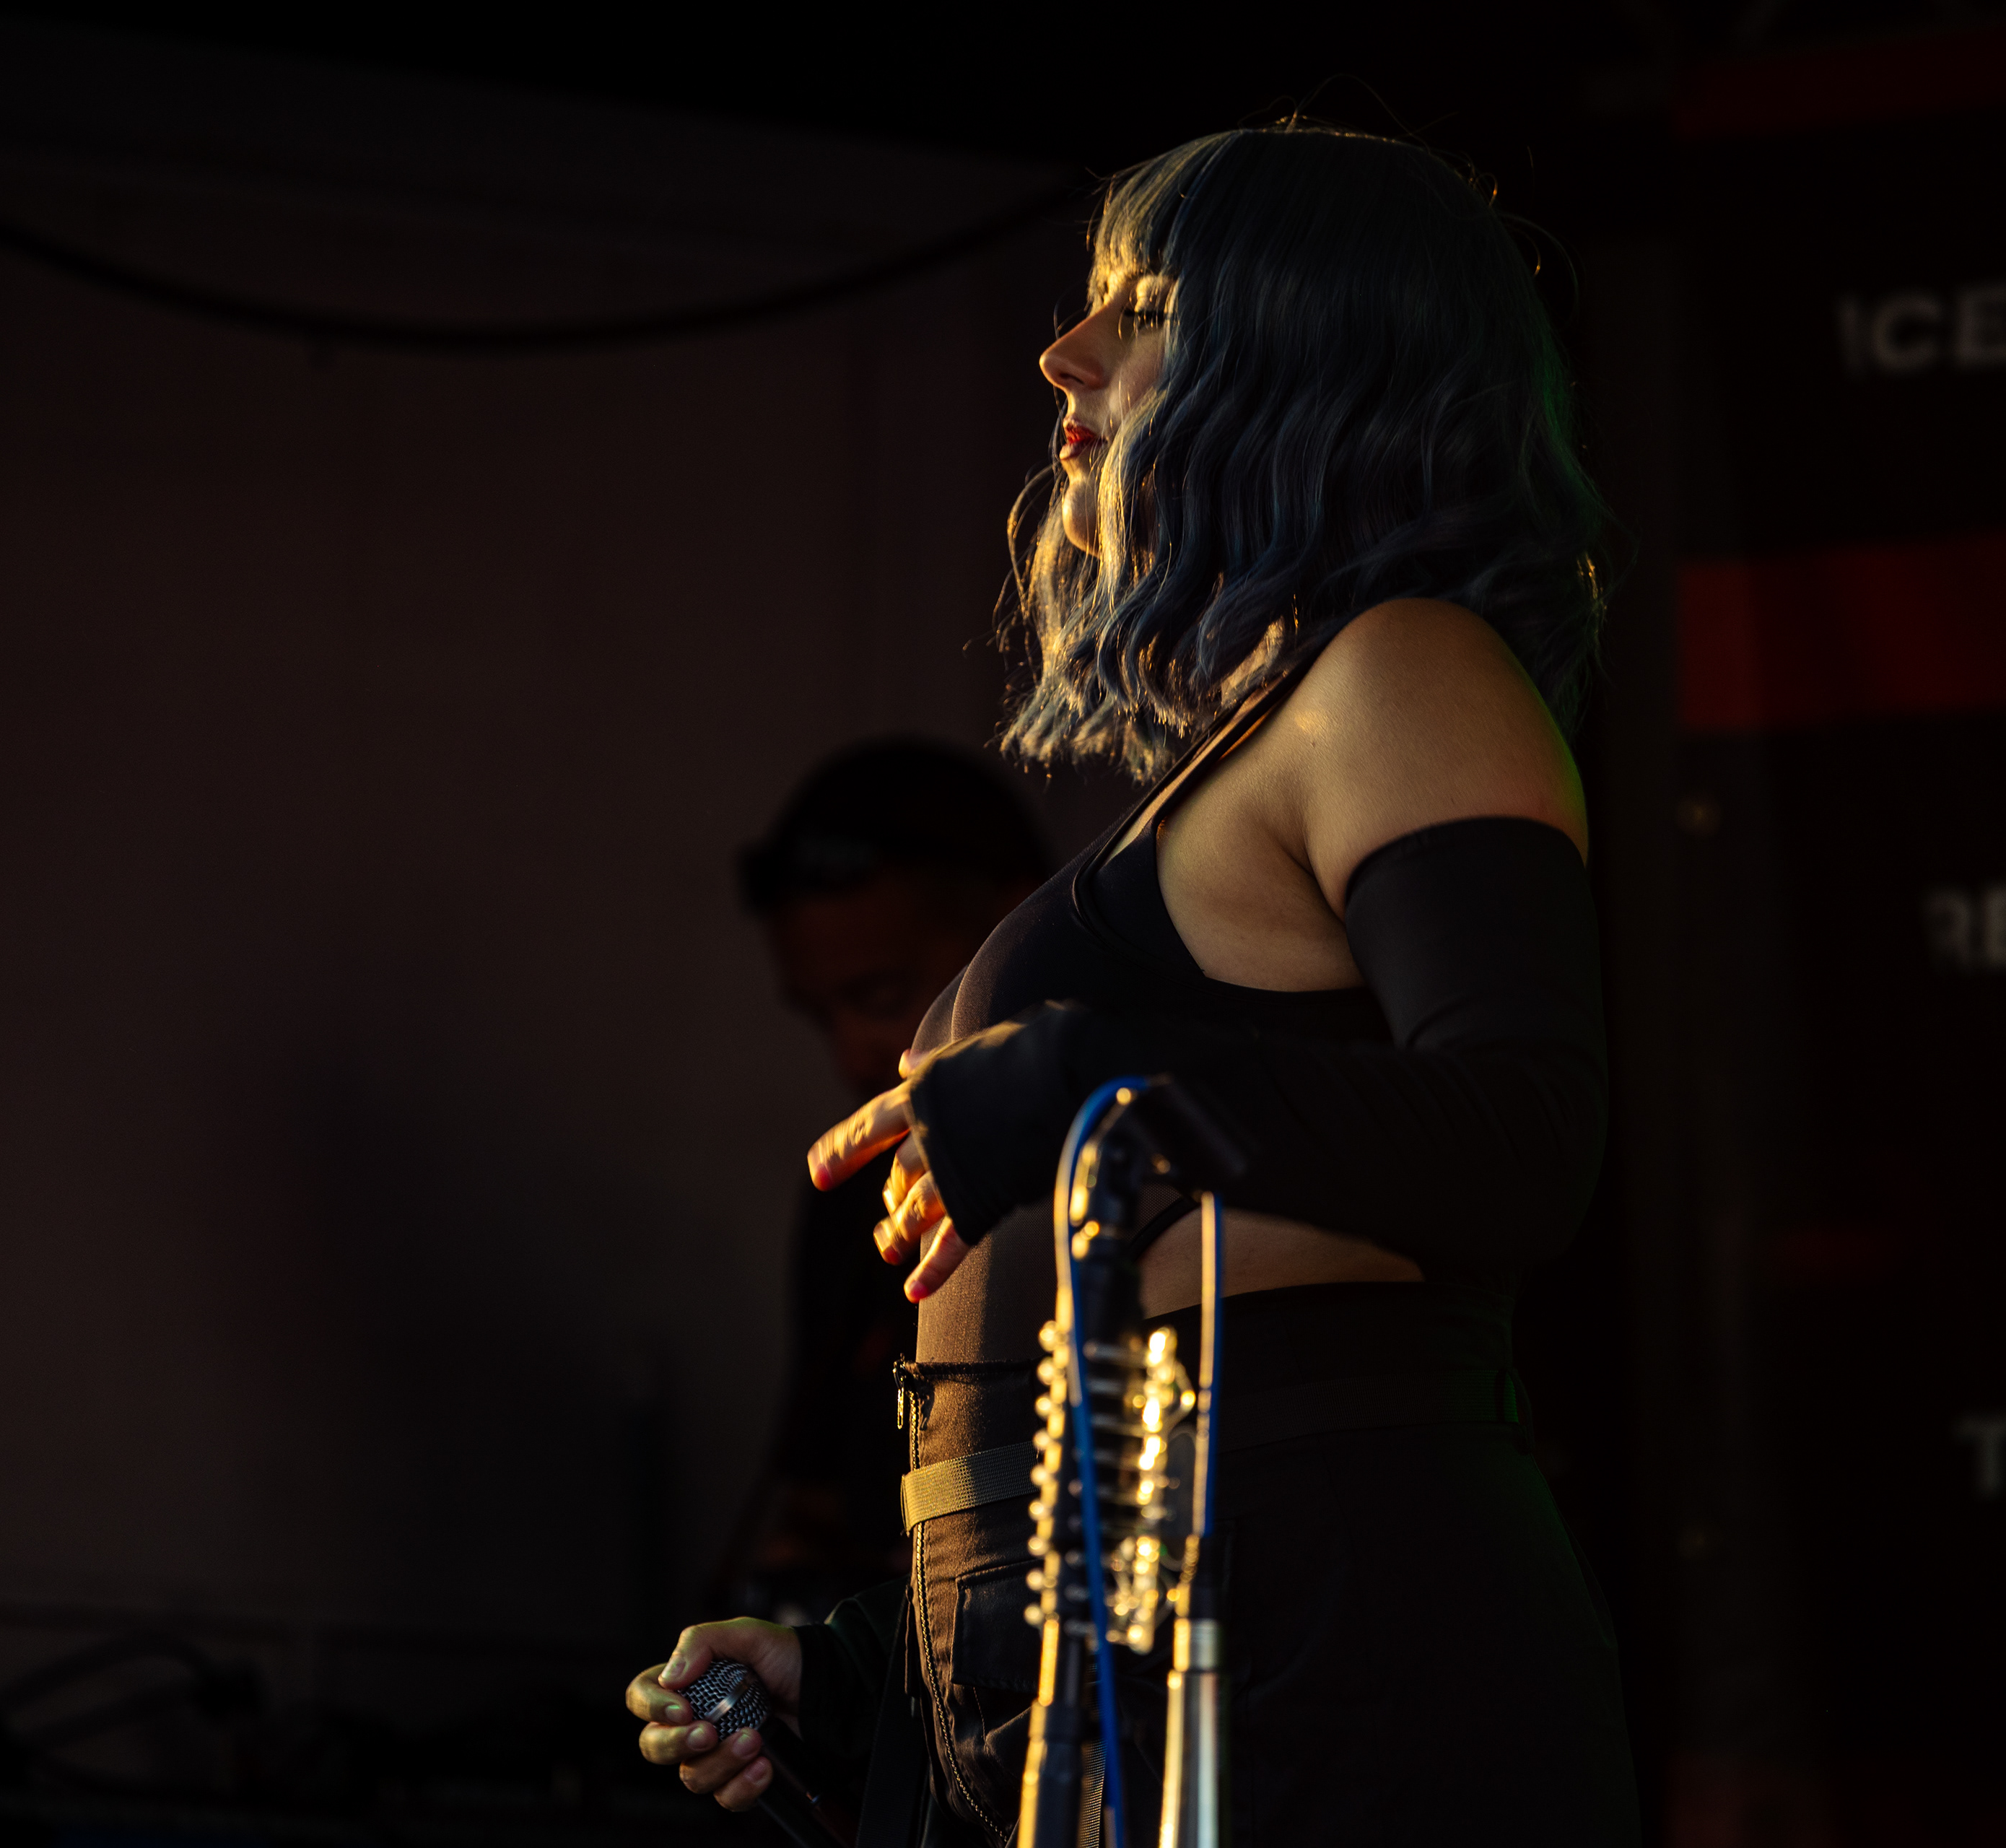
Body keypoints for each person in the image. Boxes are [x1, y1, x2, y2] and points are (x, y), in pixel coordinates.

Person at [629, 124, 1636, 1844]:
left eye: (1145, 305)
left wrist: (1086, 1082)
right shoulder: (1267, 739)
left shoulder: (1406, 667)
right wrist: (875, 1665)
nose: (1065, 355)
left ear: (1319, 351)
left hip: (1319, 1662)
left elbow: (1527, 1130)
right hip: (1143, 1665)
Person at [717, 743, 1052, 1626]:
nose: (852, 1057)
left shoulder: (1133, 1173)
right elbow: (814, 1502)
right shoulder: (854, 1195)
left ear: (1017, 926)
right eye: (819, 1015)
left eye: (879, 997)